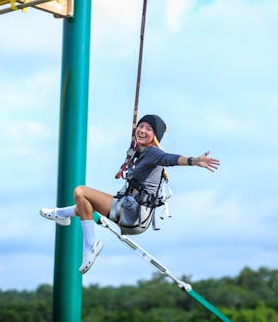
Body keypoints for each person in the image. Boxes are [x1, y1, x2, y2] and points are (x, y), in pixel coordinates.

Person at [40, 114, 220, 274]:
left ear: (155, 136)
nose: (142, 130)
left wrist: (193, 160)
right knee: (86, 203)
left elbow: (170, 158)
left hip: (133, 213)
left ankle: (89, 248)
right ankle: (61, 214)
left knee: (81, 192)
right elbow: (140, 143)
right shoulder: (139, 151)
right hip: (128, 209)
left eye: (148, 129)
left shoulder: (153, 153)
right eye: (141, 126)